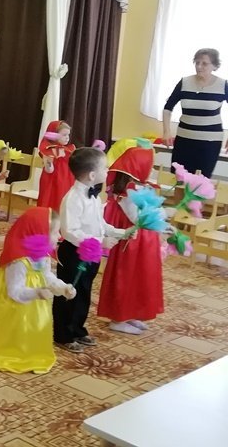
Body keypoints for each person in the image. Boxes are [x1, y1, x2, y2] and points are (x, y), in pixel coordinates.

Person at [0, 207, 75, 374]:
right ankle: (10, 351)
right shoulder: (18, 260)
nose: (59, 237)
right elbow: (14, 291)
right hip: (15, 304)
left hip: (35, 303)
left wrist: (62, 287)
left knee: (33, 327)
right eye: (56, 232)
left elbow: (47, 276)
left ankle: (31, 352)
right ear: (40, 233)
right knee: (15, 328)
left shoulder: (43, 254)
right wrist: (37, 293)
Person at [52, 147, 130, 352]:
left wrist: (120, 232)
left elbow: (100, 223)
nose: (108, 171)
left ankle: (77, 329)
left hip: (91, 253)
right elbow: (70, 231)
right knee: (68, 293)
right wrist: (100, 242)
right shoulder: (73, 198)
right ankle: (63, 334)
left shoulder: (94, 196)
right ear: (92, 175)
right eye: (105, 168)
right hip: (74, 253)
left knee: (84, 292)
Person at [98, 138, 164, 335]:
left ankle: (131, 312)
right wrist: (158, 212)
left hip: (142, 243)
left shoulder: (139, 187)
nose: (152, 170)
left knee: (139, 277)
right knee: (126, 277)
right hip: (132, 244)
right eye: (150, 166)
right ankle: (118, 318)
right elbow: (138, 217)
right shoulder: (129, 191)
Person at [162, 48, 228, 178]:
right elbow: (167, 108)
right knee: (179, 178)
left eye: (204, 63)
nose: (199, 66)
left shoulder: (223, 85)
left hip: (209, 143)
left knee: (200, 182)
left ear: (215, 66)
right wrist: (166, 131)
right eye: (197, 62)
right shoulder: (184, 82)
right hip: (184, 140)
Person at [37, 120, 76, 211]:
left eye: (68, 135)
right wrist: (48, 161)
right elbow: (49, 170)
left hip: (66, 179)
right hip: (52, 180)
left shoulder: (69, 149)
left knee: (64, 203)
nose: (67, 137)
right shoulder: (49, 149)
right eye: (64, 135)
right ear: (54, 135)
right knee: (51, 201)